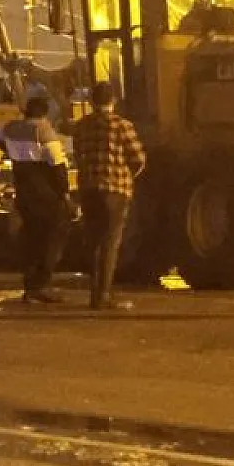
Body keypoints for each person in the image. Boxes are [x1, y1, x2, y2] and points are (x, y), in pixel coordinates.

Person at [71, 81, 147, 311]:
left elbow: (78, 154)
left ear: (92, 101)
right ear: (113, 100)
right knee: (110, 243)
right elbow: (138, 159)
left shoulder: (82, 126)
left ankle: (95, 292)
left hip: (89, 189)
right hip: (115, 189)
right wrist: (128, 175)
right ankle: (103, 295)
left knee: (94, 242)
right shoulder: (122, 125)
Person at [0, 94, 74, 303]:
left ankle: (30, 287)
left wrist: (7, 148)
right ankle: (43, 285)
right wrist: (65, 194)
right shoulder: (45, 132)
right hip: (46, 195)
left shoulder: (11, 129)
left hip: (24, 192)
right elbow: (58, 166)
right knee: (52, 239)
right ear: (45, 114)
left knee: (31, 239)